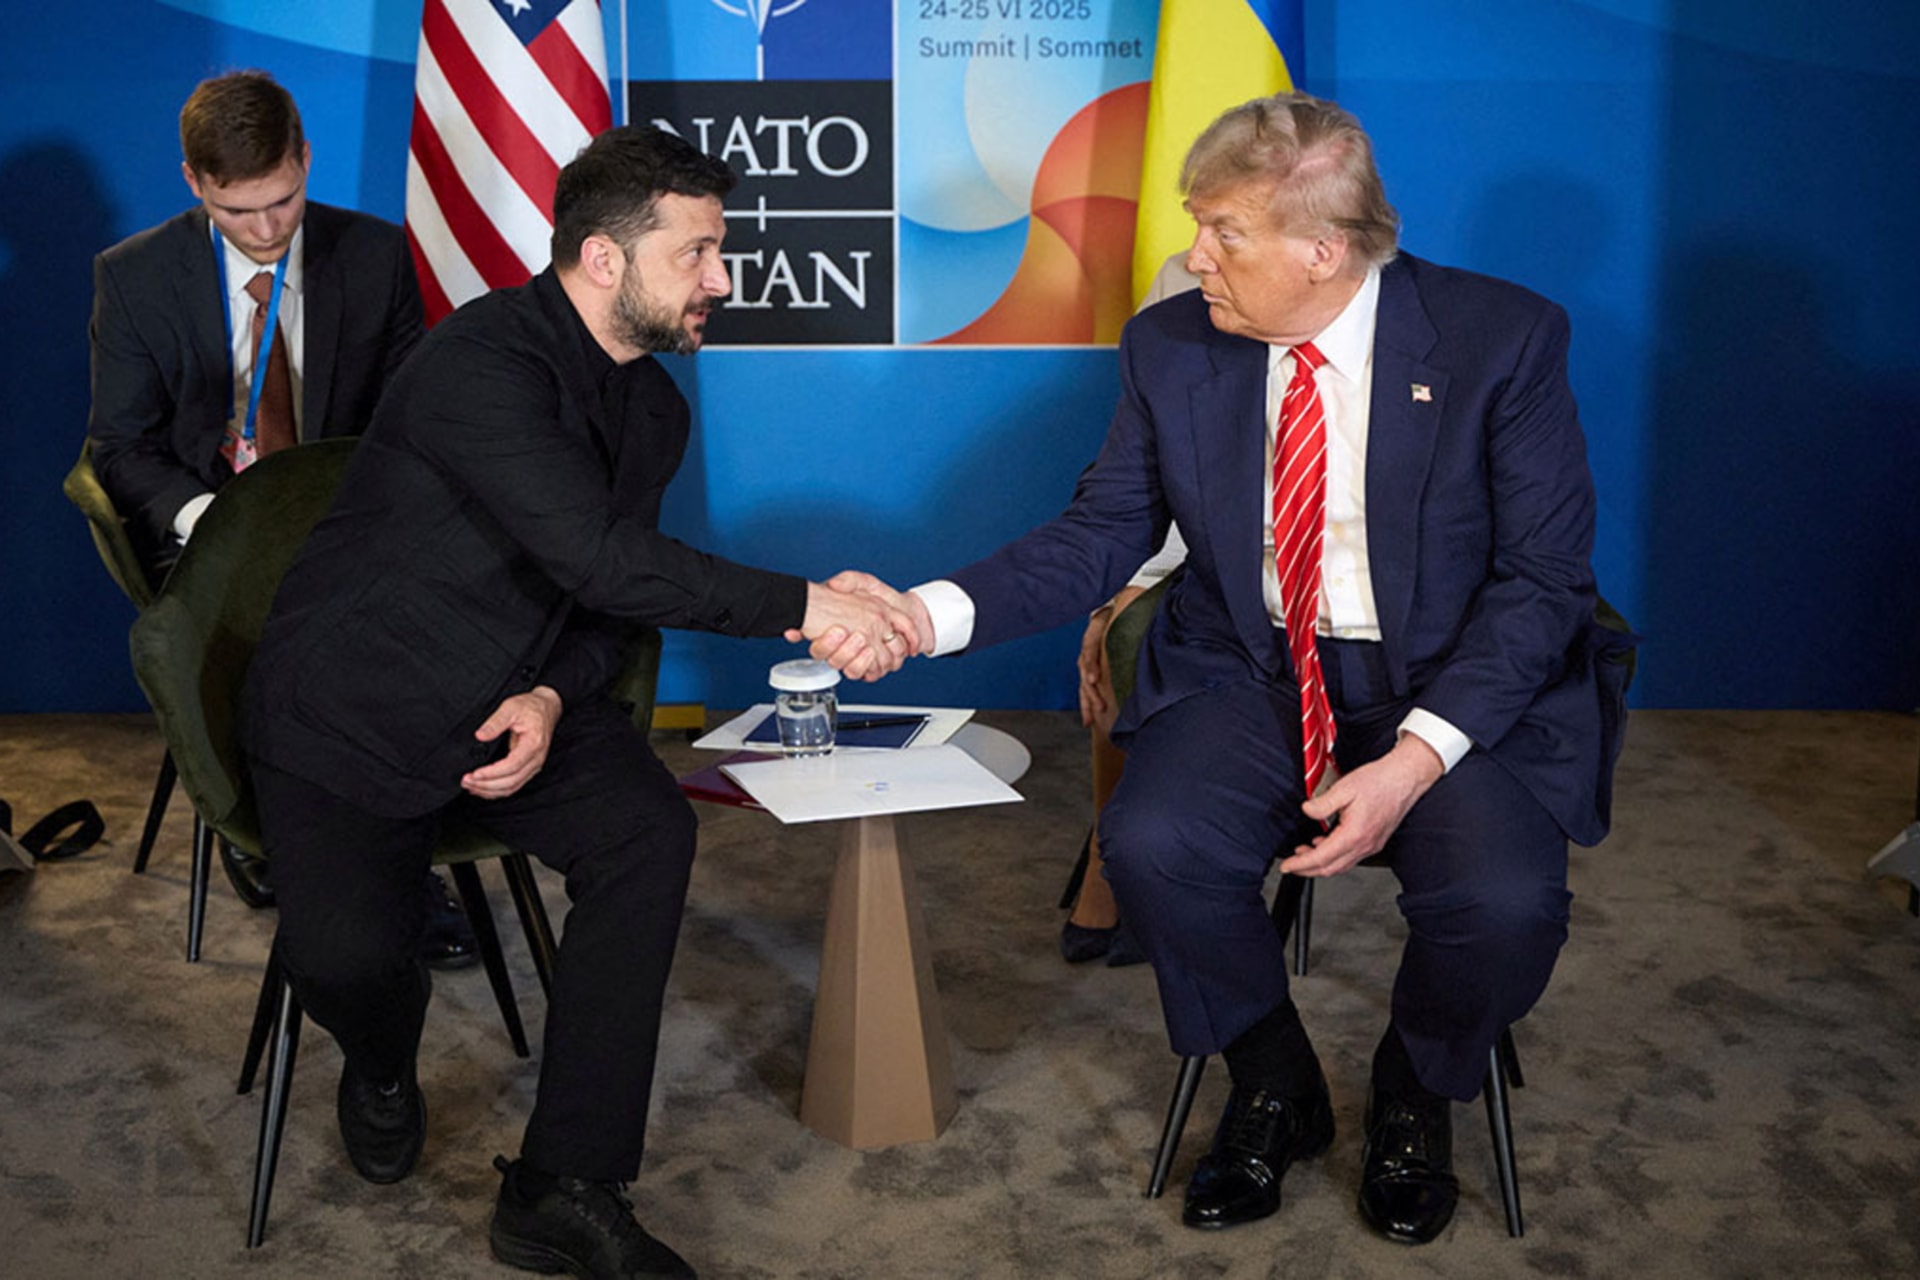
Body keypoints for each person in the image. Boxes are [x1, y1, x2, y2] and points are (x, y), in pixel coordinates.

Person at [819, 93, 1629, 1247]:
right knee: (1152, 844)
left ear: (1323, 248)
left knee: (1504, 904)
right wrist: (918, 615)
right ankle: (1272, 1075)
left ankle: (1416, 1085)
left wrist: (1411, 760)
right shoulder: (1173, 341)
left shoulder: (1502, 339)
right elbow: (1099, 532)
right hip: (1254, 664)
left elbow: (1546, 580)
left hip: (1452, 689)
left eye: (1223, 234)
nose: (1191, 257)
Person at [239, 124, 918, 1280]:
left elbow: (605, 604)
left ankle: (564, 1183)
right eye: (698, 252)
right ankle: (384, 1059)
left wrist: (554, 694)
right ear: (605, 259)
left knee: (647, 834)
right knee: (353, 961)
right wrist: (808, 603)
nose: (721, 277)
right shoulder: (480, 360)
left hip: (518, 698)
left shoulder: (654, 411)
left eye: (722, 250)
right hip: (354, 705)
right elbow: (601, 557)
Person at [85, 69, 472, 966]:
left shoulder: (374, 255)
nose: (266, 231)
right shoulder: (134, 277)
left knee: (415, 621)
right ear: (194, 183)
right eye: (237, 212)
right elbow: (121, 446)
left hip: (348, 517)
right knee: (288, 630)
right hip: (206, 526)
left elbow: (406, 420)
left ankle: (378, 860)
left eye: (283, 201)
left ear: (306, 159)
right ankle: (317, 852)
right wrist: (211, 519)